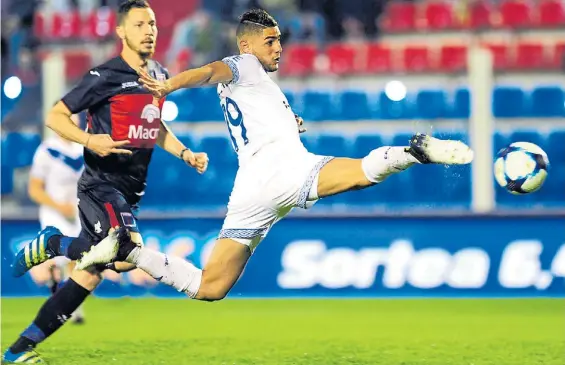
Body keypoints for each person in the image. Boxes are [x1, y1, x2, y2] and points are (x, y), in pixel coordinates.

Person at [74, 8, 474, 306]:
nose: (279, 47)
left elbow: (246, 106)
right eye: (271, 40)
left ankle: (127, 251)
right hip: (280, 169)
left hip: (252, 186)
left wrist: (289, 121)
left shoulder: (257, 84)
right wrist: (170, 84)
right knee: (359, 174)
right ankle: (412, 151)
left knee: (210, 287)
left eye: (280, 39)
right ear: (247, 44)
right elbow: (211, 70)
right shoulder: (244, 63)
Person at [4, 1, 208, 363]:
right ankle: (55, 242)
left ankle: (20, 349)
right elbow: (56, 115)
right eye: (140, 24)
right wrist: (90, 140)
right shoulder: (105, 76)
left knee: (89, 277)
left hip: (130, 192)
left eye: (153, 23)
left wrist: (185, 153)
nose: (149, 30)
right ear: (122, 32)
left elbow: (154, 124)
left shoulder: (158, 73)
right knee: (128, 256)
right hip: (101, 185)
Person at [28, 113, 86, 324]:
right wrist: (59, 206)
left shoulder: (84, 149)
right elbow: (35, 190)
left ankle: (75, 309)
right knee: (54, 261)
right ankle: (56, 299)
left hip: (78, 212)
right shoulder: (47, 151)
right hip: (54, 212)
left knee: (77, 258)